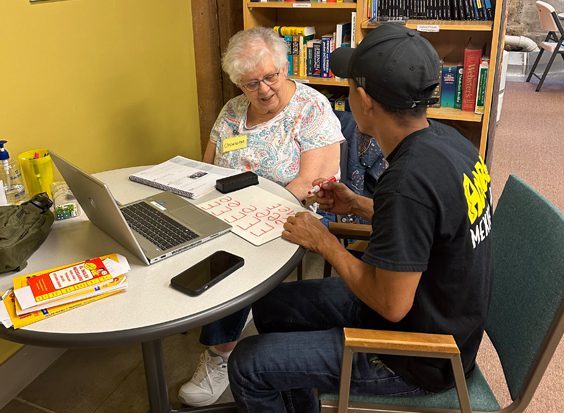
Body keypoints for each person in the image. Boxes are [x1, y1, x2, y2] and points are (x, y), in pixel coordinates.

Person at [227, 24, 493, 412]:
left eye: (349, 86)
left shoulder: (407, 183)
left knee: (247, 364)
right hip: (443, 315)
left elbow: (390, 305)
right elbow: (435, 224)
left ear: (363, 100)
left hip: (417, 357)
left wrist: (326, 244)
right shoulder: (449, 141)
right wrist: (359, 205)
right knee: (271, 307)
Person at [178, 27, 344, 407]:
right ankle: (212, 317)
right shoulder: (233, 111)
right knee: (190, 235)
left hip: (293, 213)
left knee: (231, 254)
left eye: (271, 77)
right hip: (228, 207)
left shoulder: (311, 108)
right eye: (251, 84)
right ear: (238, 83)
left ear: (285, 67)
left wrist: (253, 208)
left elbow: (308, 184)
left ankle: (220, 351)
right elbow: (208, 166)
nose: (264, 89)